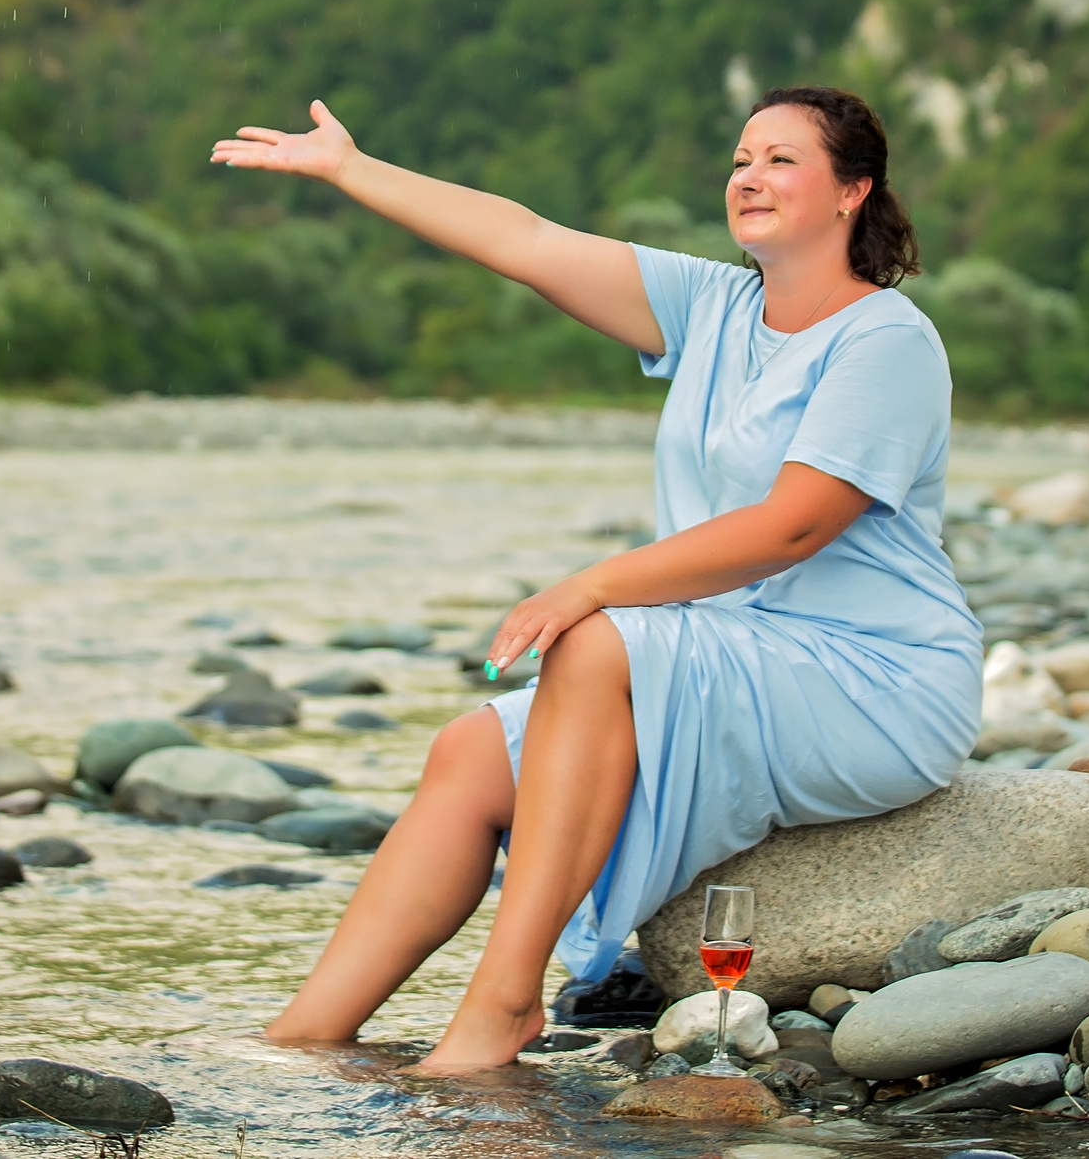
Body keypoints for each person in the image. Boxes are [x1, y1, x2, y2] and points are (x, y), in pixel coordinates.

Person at [209, 86, 981, 1074]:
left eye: (781, 160)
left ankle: (501, 1002)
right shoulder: (712, 305)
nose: (748, 176)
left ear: (851, 191)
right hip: (730, 651)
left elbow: (795, 524)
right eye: (740, 158)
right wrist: (351, 169)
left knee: (600, 635)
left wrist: (592, 584)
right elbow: (524, 240)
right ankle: (305, 1035)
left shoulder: (886, 339)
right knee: (467, 756)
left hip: (871, 676)